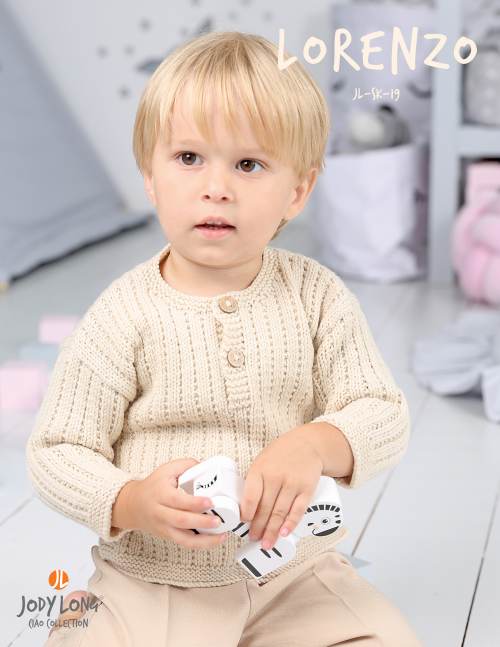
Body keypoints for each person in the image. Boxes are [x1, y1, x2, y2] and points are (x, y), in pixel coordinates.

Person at [27, 30, 423, 646]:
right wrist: (130, 500)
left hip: (292, 576)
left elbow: (382, 411)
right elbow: (57, 450)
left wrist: (315, 444)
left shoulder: (316, 296)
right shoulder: (123, 315)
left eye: (248, 164)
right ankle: (89, 611)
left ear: (297, 191)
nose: (217, 187)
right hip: (151, 584)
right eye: (189, 158)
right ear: (151, 177)